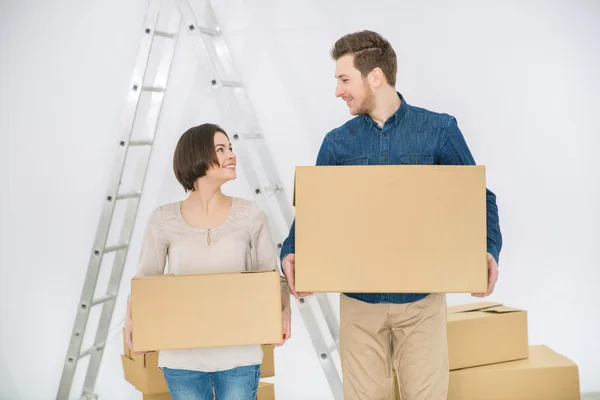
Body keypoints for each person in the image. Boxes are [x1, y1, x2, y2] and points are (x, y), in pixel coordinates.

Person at [280, 31, 503, 399]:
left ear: (376, 76)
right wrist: (291, 250)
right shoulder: (337, 143)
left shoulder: (439, 130)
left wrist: (488, 250)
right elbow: (314, 214)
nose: (338, 91)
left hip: (421, 303)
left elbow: (479, 200)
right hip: (359, 306)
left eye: (344, 79)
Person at [124, 123, 291, 400]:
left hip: (239, 355)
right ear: (196, 156)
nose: (231, 155)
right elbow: (145, 283)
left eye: (231, 149)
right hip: (182, 359)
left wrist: (284, 313)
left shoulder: (251, 215)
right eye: (221, 149)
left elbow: (271, 278)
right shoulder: (162, 219)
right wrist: (133, 324)